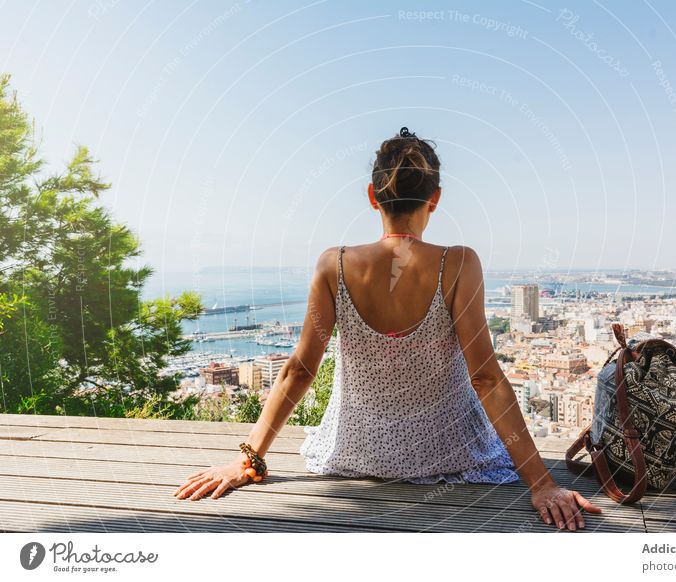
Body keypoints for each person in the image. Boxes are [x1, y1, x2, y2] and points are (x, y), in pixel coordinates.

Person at [174, 127, 601, 531]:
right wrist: (542, 483)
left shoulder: (334, 265)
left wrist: (247, 460)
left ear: (372, 196)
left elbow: (298, 372)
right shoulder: (458, 264)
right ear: (434, 198)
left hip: (355, 454)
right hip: (450, 456)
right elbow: (486, 377)